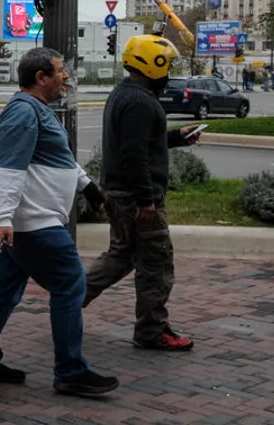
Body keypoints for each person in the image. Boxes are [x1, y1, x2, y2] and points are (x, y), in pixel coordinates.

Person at [0, 47, 118, 397]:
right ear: (41, 77)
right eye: (60, 71)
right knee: (70, 283)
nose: (66, 77)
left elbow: (57, 159)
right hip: (33, 223)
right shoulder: (22, 113)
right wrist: (2, 218)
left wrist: (89, 188)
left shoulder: (36, 110)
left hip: (25, 223)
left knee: (3, 290)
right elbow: (8, 168)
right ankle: (70, 370)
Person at [83, 34, 201, 351]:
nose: (169, 71)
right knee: (156, 263)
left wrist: (176, 138)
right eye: (167, 64)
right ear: (153, 63)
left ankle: (68, 301)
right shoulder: (140, 102)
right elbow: (134, 155)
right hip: (135, 198)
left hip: (118, 192)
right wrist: (146, 199)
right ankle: (151, 330)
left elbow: (138, 141)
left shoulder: (125, 94)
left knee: (120, 256)